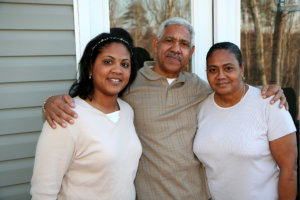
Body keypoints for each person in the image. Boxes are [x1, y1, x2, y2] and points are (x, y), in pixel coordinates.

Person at [42, 18, 287, 200]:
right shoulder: (129, 82)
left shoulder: (201, 89)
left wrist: (268, 91)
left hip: (197, 196)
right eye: (169, 40)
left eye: (183, 44)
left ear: (191, 52)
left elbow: (232, 88)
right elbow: (95, 97)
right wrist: (50, 102)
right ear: (157, 43)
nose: (176, 48)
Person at [30, 32, 142, 200]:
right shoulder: (67, 115)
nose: (118, 70)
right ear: (90, 67)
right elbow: (43, 193)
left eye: (125, 64)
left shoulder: (127, 111)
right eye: (108, 62)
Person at [193, 42, 297, 200]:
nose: (220, 75)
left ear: (242, 69)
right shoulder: (201, 108)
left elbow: (289, 171)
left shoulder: (270, 104)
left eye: (228, 68)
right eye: (213, 70)